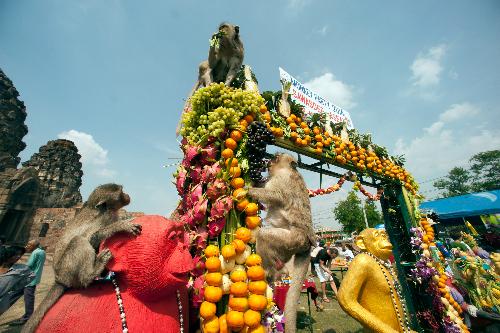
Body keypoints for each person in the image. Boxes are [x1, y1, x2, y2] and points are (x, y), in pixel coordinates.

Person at [10, 239, 46, 325]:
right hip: (33, 278)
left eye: (29, 245)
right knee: (14, 294)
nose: (27, 246)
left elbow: (29, 265)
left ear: (34, 246)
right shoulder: (42, 252)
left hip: (29, 279)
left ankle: (27, 317)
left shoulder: (35, 253)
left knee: (28, 298)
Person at [0, 245, 35, 316]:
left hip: (2, 301)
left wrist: (14, 287)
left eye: (20, 254)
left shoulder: (21, 269)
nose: (19, 256)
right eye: (16, 254)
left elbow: (31, 276)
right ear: (8, 254)